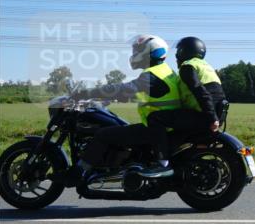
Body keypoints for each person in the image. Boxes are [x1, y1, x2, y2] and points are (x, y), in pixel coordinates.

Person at [68, 35, 183, 182]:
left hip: (157, 129)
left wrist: (86, 93)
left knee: (103, 135)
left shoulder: (152, 76)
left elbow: (124, 88)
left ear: (150, 52)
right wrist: (106, 100)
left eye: (137, 50)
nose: (134, 54)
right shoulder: (164, 72)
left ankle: (80, 172)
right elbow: (137, 94)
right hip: (164, 127)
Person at [146, 36, 227, 136]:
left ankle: (160, 152)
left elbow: (200, 91)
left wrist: (212, 118)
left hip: (202, 115)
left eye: (178, 51)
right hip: (213, 114)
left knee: (154, 117)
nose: (176, 56)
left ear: (184, 51)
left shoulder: (187, 67)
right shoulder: (206, 67)